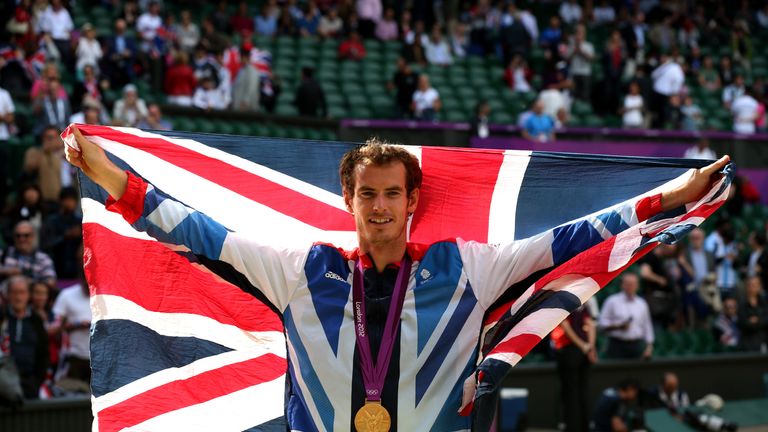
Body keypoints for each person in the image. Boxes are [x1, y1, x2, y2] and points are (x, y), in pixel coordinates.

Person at [65, 125, 729, 430]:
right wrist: (111, 178)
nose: (379, 206)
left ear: (412, 200)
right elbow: (198, 231)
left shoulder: (469, 268)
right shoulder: (300, 271)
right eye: (367, 194)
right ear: (349, 200)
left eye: (391, 193)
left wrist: (666, 198)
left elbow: (572, 237)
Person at [1, 276, 49, 399]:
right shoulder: (1, 317)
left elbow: (43, 354)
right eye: (14, 292)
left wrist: (37, 382)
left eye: (22, 292)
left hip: (30, 383)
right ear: (8, 295)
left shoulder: (36, 320)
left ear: (28, 295)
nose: (18, 297)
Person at [551, 300, 596, 432]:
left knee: (571, 393)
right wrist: (589, 348)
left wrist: (586, 347)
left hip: (570, 351)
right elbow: (590, 325)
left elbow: (566, 326)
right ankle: (584, 427)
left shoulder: (565, 301)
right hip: (582, 351)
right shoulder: (584, 302)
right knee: (582, 391)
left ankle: (573, 427)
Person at [52, 265, 91, 391]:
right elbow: (54, 327)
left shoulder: (107, 296)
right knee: (71, 393)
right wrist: (76, 325)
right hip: (73, 356)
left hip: (101, 358)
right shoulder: (66, 295)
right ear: (81, 278)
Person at [598, 273, 654, 359]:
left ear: (638, 286)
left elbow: (647, 326)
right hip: (616, 345)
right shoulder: (612, 301)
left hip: (636, 345)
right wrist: (618, 326)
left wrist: (649, 347)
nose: (630, 287)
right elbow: (602, 324)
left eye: (633, 284)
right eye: (628, 284)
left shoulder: (642, 303)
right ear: (622, 285)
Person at [0, 221, 57, 291]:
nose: (22, 239)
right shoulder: (3, 254)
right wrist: (7, 272)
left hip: (32, 296)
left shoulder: (43, 258)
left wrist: (29, 281)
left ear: (33, 236)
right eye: (18, 236)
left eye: (26, 235)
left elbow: (51, 282)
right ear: (13, 237)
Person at [739, 276, 767, 352]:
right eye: (749, 285)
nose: (752, 288)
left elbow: (766, 319)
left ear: (759, 287)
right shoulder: (741, 303)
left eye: (754, 285)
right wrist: (755, 322)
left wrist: (757, 320)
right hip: (747, 342)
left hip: (763, 340)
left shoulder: (764, 302)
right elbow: (742, 321)